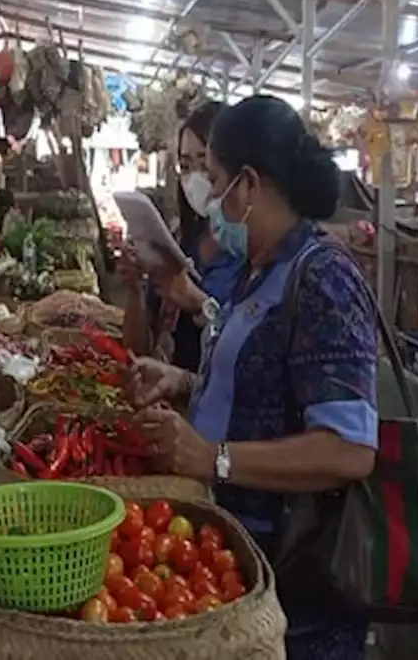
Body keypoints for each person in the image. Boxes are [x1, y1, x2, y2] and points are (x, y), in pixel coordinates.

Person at [125, 95, 378, 660]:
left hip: (298, 584)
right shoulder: (258, 271)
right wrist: (182, 381)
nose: (209, 199)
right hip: (235, 559)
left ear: (249, 184)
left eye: (213, 181)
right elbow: (260, 386)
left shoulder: (323, 281)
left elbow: (350, 449)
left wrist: (215, 457)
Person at [119, 101, 240, 369]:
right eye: (186, 166)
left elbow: (253, 356)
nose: (196, 179)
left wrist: (198, 302)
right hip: (171, 399)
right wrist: (135, 288)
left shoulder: (253, 249)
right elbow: (138, 350)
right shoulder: (179, 240)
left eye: (205, 165)